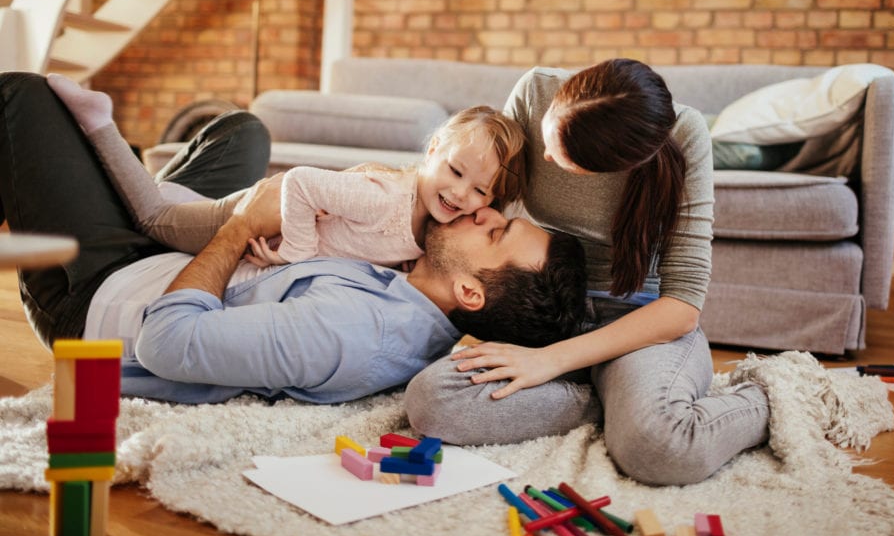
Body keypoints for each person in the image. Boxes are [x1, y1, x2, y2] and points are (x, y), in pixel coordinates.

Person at [0, 72, 588, 404]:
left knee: (21, 97)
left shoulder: (352, 331)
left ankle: (122, 193)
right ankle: (132, 199)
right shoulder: (418, 267)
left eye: (498, 228)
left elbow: (167, 342)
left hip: (105, 291)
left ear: (472, 292)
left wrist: (240, 229)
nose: (482, 211)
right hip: (177, 249)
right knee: (242, 131)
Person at [405, 58, 771, 486]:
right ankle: (611, 401)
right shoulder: (536, 92)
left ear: (618, 163)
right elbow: (483, 200)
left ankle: (772, 399)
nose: (543, 157)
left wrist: (549, 362)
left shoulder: (687, 136)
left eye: (565, 158)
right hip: (548, 310)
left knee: (660, 448)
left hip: (638, 329)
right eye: (548, 137)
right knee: (434, 401)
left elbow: (682, 306)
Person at [46, 73, 526, 268]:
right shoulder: (384, 199)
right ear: (434, 148)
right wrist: (299, 250)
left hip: (271, 212)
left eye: (481, 190)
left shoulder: (432, 221)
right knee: (151, 220)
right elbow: (299, 182)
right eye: (456, 171)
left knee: (169, 207)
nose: (462, 194)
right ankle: (98, 124)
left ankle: (165, 185)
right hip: (260, 212)